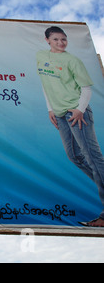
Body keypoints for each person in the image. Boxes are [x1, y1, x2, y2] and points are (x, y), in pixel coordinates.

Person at [37, 26, 104, 227]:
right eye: (56, 39)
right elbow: (45, 83)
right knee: (75, 156)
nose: (61, 43)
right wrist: (50, 108)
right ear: (47, 40)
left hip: (76, 112)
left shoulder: (72, 61)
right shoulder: (41, 56)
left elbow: (85, 88)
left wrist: (80, 109)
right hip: (59, 114)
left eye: (64, 39)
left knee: (93, 157)